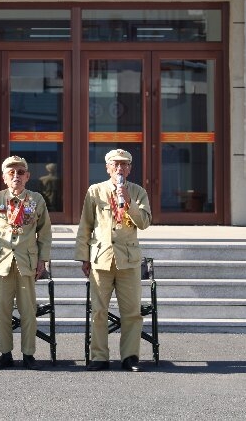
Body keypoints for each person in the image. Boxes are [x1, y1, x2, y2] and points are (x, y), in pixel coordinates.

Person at [75, 148, 152, 372]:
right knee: (99, 311)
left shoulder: (138, 192)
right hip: (102, 258)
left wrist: (129, 201)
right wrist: (83, 257)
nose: (120, 168)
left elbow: (144, 223)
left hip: (128, 260)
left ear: (130, 169)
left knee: (132, 313)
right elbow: (85, 225)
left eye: (124, 164)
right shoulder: (95, 191)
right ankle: (99, 356)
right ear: (108, 168)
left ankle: (130, 357)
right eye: (115, 164)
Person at [0, 155, 51, 369]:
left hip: (27, 262)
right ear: (4, 177)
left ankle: (28, 354)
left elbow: (45, 233)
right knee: (2, 310)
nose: (16, 176)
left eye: (20, 172)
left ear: (27, 176)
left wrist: (43, 260)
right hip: (2, 262)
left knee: (28, 311)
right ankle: (5, 353)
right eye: (11, 172)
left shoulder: (36, 199)